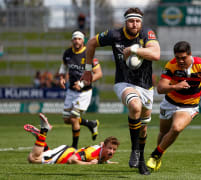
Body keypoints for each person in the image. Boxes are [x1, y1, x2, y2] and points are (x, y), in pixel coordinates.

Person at [81, 7, 160, 175]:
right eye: (131, 20)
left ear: (141, 22)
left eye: (138, 21)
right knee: (135, 106)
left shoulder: (147, 34)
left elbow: (156, 53)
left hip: (146, 86)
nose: (135, 24)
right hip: (124, 83)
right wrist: (88, 69)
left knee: (143, 128)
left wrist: (134, 50)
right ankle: (135, 150)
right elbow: (91, 43)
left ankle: (140, 161)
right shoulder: (114, 35)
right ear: (126, 21)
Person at [146, 41, 201, 171]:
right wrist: (176, 86)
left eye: (183, 57)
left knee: (176, 128)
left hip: (189, 106)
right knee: (163, 132)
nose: (180, 61)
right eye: (178, 58)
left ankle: (155, 155)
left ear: (190, 55)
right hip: (170, 103)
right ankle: (159, 156)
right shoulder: (171, 66)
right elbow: (160, 88)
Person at [58, 30, 103, 149]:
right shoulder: (68, 53)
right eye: (75, 39)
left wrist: (82, 84)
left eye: (79, 39)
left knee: (73, 118)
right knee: (66, 119)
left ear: (83, 40)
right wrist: (62, 77)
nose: (77, 41)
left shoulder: (88, 54)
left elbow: (98, 74)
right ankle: (91, 124)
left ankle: (74, 147)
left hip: (84, 92)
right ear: (72, 40)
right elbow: (63, 67)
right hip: (71, 91)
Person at [24, 113, 120, 165]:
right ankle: (44, 130)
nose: (111, 151)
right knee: (32, 159)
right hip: (65, 155)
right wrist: (89, 164)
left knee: (45, 154)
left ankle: (40, 137)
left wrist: (109, 162)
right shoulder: (91, 153)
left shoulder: (102, 151)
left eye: (114, 149)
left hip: (68, 150)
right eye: (110, 148)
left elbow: (102, 144)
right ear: (103, 147)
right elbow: (72, 160)